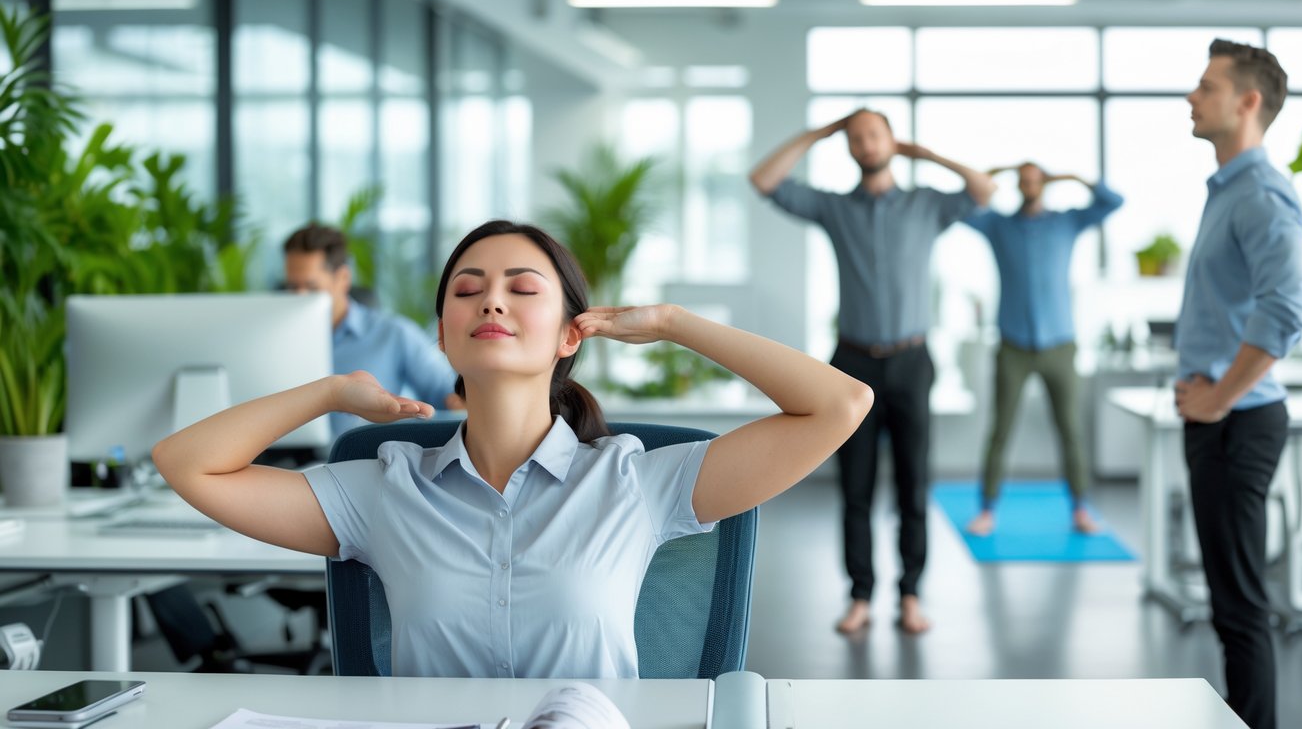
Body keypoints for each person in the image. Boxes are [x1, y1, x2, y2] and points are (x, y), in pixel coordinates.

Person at [154, 219, 873, 679]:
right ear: (442, 336)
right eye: (467, 291)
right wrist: (329, 392)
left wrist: (675, 324)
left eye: (521, 289)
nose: (490, 302)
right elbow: (186, 463)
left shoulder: (636, 482)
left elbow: (840, 405)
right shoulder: (381, 490)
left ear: (571, 335)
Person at [749, 109, 995, 635]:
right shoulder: (835, 208)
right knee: (854, 488)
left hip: (912, 360)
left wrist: (925, 155)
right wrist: (819, 132)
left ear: (890, 141)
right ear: (850, 146)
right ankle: (860, 595)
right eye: (856, 137)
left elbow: (983, 189)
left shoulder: (927, 203)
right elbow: (764, 181)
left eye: (874, 134)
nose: (866, 143)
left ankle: (910, 595)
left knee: (914, 483)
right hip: (852, 365)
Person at [1175, 39, 1302, 729]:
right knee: (1230, 607)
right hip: (1217, 422)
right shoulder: (1228, 190)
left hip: (1237, 423)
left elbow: (1286, 310)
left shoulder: (1259, 194)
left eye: (1205, 86)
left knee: (1239, 608)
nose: (1190, 98)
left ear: (1247, 101)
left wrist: (1219, 396)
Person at [959, 163, 1125, 537]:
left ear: (1044, 183)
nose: (1030, 184)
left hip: (1060, 346)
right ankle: (987, 509)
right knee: (1000, 430)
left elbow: (1114, 202)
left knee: (1070, 429)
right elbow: (962, 206)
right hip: (1012, 345)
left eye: (1037, 179)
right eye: (1025, 179)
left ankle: (1080, 508)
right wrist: (993, 172)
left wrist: (1073, 176)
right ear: (1019, 184)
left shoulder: (1067, 222)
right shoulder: (999, 226)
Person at [283, 225, 462, 435]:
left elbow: (452, 400)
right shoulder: (275, 339)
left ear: (342, 278)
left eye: (312, 288)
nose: (300, 298)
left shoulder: (395, 333)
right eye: (292, 287)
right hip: (280, 457)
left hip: (358, 460)